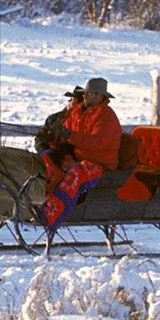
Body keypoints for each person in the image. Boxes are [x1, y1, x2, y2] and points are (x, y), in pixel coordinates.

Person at [38, 77, 121, 233]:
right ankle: (40, 200)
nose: (84, 96)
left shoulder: (107, 118)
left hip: (99, 163)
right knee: (47, 158)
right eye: (85, 94)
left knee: (77, 172)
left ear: (99, 96)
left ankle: (53, 214)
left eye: (88, 94)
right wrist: (55, 138)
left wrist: (70, 136)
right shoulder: (78, 111)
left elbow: (98, 142)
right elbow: (67, 131)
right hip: (77, 156)